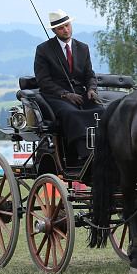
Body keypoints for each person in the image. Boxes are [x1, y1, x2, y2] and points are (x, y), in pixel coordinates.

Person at [34, 10, 105, 163]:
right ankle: (84, 155)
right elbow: (44, 81)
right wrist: (66, 94)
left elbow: (89, 75)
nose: (66, 30)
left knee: (102, 111)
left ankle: (106, 149)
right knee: (72, 113)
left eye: (67, 25)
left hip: (80, 94)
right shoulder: (44, 50)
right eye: (61, 28)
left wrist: (92, 90)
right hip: (56, 97)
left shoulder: (83, 48)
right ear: (54, 30)